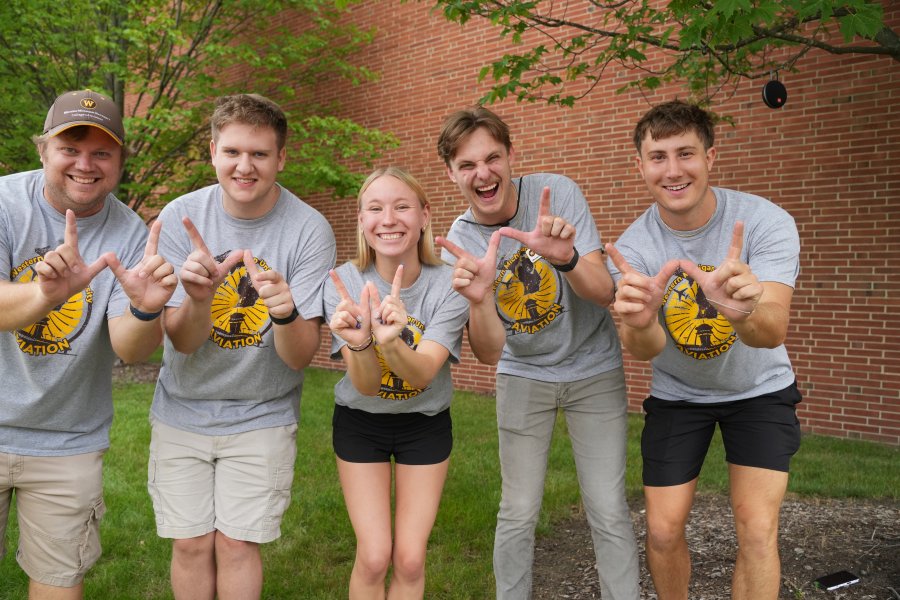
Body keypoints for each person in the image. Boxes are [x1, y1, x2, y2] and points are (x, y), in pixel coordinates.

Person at [435, 106, 640, 600]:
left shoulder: (557, 194)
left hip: (594, 368)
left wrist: (565, 257)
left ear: (510, 156)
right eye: (467, 165)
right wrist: (481, 299)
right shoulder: (458, 242)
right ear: (451, 174)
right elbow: (489, 353)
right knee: (518, 508)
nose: (483, 173)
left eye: (492, 158)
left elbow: (604, 294)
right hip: (523, 375)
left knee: (608, 506)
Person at [605, 99, 802, 600]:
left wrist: (740, 312)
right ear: (640, 165)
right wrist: (643, 319)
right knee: (664, 530)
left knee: (757, 529)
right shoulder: (634, 248)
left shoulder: (762, 222)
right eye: (658, 157)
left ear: (710, 157)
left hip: (759, 389)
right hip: (680, 394)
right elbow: (643, 348)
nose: (673, 170)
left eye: (686, 153)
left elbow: (772, 329)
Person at [148, 93, 336, 600]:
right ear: (213, 152)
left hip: (263, 413)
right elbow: (183, 342)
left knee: (235, 545)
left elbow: (299, 357)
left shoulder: (308, 229)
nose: (244, 166)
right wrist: (198, 300)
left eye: (258, 154)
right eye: (232, 152)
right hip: (182, 409)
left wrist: (285, 310)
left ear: (281, 158)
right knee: (189, 544)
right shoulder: (181, 217)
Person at [0, 89, 176, 600]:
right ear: (43, 151)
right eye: (70, 148)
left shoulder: (128, 231)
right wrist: (44, 294)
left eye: (102, 152)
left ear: (120, 161)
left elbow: (129, 349)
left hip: (68, 442)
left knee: (58, 585)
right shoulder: (6, 203)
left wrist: (146, 308)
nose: (85, 164)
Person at [322, 167, 469, 599]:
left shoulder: (449, 283)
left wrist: (392, 341)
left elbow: (423, 374)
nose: (389, 219)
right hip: (359, 421)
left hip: (424, 423)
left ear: (424, 216)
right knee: (373, 556)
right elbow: (366, 385)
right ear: (362, 220)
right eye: (376, 208)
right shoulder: (342, 283)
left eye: (402, 206)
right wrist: (365, 343)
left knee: (409, 558)